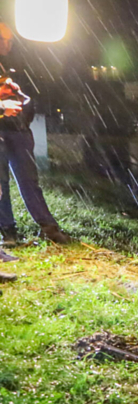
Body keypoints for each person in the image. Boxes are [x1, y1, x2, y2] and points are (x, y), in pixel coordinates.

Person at [0, 22, 71, 245]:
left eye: (10, 41)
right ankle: (8, 232)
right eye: (5, 40)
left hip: (19, 131)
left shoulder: (11, 64)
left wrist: (23, 106)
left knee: (29, 180)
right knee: (1, 184)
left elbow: (25, 94)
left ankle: (48, 228)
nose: (9, 45)